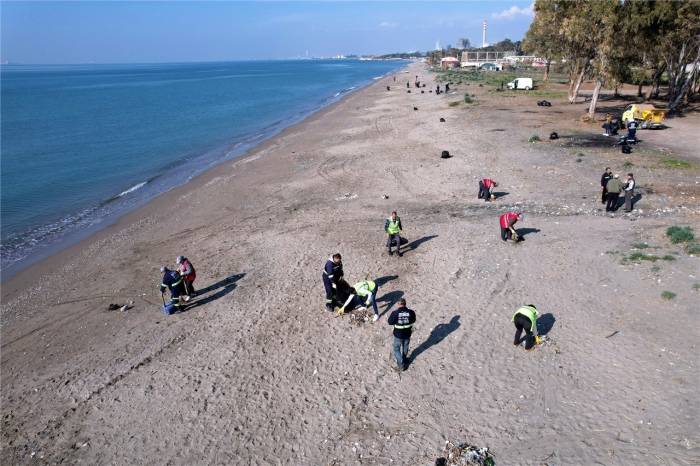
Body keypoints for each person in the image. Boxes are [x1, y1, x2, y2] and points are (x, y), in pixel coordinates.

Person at [387, 298, 416, 371]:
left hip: (398, 335)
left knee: (396, 349)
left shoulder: (395, 313)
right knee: (405, 347)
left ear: (398, 304)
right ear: (405, 304)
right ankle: (404, 359)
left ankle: (401, 364)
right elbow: (413, 320)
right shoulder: (411, 312)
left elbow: (390, 322)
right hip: (407, 333)